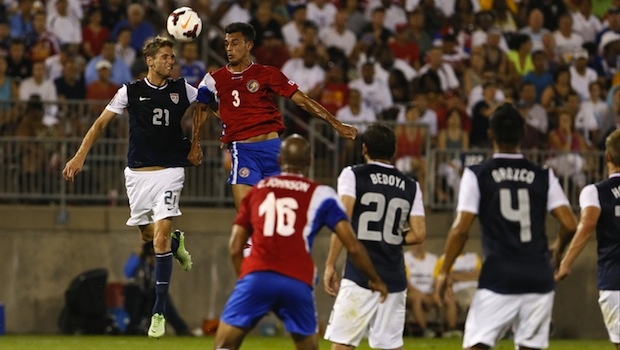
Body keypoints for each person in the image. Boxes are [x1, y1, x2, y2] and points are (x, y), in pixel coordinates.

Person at [62, 36, 196, 339]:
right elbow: (99, 124)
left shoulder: (182, 88)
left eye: (172, 57)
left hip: (171, 171)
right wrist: (79, 156)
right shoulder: (130, 91)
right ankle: (176, 243)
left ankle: (158, 312)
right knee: (150, 236)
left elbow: (208, 105)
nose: (170, 61)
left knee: (158, 239)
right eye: (164, 57)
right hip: (137, 176)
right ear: (149, 61)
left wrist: (201, 140)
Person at [213, 134, 387, 350]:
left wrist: (246, 281)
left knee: (224, 345)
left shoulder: (257, 191)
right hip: (296, 280)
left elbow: (234, 247)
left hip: (258, 275)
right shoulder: (322, 194)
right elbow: (353, 245)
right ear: (309, 161)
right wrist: (375, 280)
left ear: (279, 161)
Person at [436, 103, 578, 350]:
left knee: (477, 345)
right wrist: (557, 249)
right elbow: (569, 223)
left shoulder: (477, 174)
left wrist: (444, 270)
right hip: (538, 274)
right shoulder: (543, 175)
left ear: (490, 134)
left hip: (499, 274)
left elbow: (460, 229)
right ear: (523, 133)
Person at [190, 22, 356, 210]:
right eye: (227, 44)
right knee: (246, 215)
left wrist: (336, 124)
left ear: (249, 45)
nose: (229, 48)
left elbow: (303, 100)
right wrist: (195, 143)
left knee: (282, 212)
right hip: (243, 152)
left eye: (235, 43)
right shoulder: (212, 80)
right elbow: (201, 108)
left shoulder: (266, 73)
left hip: (273, 150)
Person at [323, 122, 426, 350]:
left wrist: (330, 264)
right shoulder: (411, 185)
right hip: (394, 277)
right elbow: (418, 234)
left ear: (364, 149)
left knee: (343, 345)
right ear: (394, 151)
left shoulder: (352, 175)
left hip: (361, 274)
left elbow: (343, 220)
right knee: (389, 346)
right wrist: (388, 234)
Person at [555, 129, 620, 350]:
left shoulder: (594, 192)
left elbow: (588, 224)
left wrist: (565, 262)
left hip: (615, 280)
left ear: (608, 157)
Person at [123, 242, 191, 336]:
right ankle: (132, 330)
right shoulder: (139, 260)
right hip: (139, 291)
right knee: (136, 312)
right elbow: (128, 272)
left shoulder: (160, 260)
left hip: (155, 290)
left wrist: (157, 260)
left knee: (166, 306)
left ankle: (182, 330)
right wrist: (138, 255)